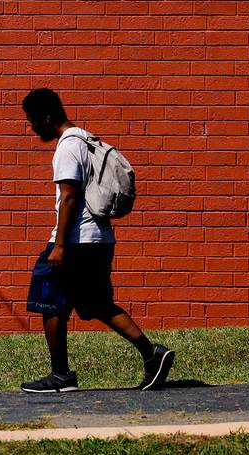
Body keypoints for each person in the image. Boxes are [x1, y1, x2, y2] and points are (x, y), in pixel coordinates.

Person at [20, 88, 175, 393]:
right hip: (100, 239)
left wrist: (60, 245)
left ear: (47, 117)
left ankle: (61, 376)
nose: (32, 128)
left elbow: (68, 198)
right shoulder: (88, 140)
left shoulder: (67, 147)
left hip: (75, 241)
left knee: (49, 302)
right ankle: (152, 353)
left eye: (33, 121)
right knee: (97, 304)